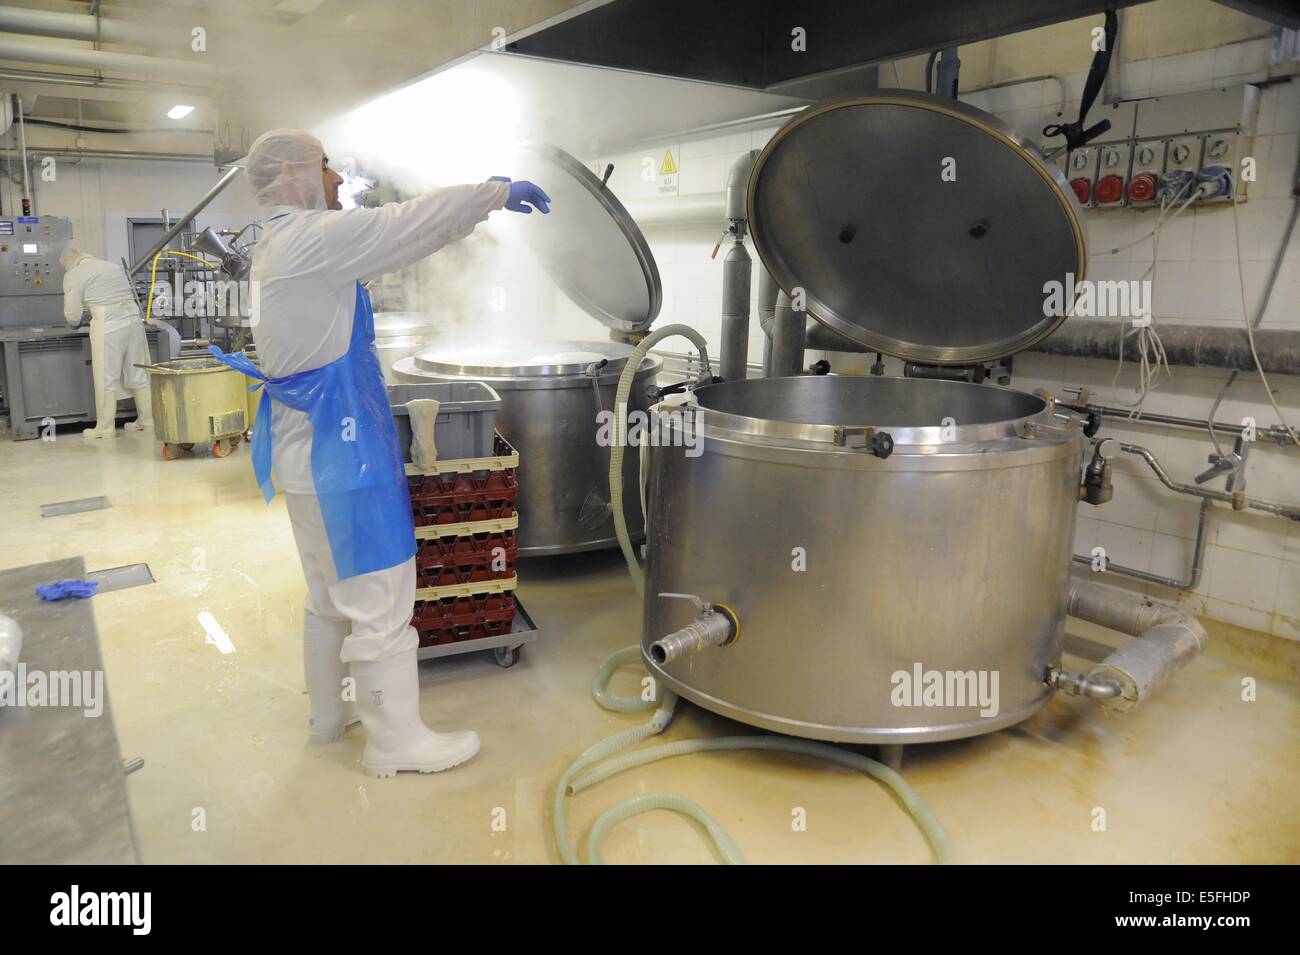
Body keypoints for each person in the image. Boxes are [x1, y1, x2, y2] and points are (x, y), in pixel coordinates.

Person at [212, 129, 549, 778]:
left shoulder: (279, 246)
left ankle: (330, 717)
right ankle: (396, 742)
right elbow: (408, 224)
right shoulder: (310, 239)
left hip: (305, 460)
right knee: (382, 605)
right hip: (346, 465)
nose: (337, 180)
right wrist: (494, 193)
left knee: (327, 599)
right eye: (326, 167)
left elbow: (393, 238)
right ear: (292, 175)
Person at [61, 246, 154, 438]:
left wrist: (75, 322)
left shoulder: (74, 274)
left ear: (69, 262)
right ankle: (147, 420)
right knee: (138, 372)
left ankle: (105, 429)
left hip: (108, 322)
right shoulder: (111, 266)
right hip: (133, 319)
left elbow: (72, 314)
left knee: (105, 377)